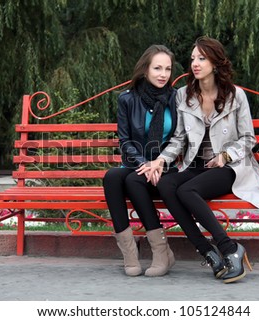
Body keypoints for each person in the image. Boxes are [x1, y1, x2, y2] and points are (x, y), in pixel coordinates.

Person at [138, 36, 259, 283]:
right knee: (166, 185)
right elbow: (179, 138)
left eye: (202, 58)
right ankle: (207, 252)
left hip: (230, 166)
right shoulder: (184, 95)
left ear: (215, 63)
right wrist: (161, 160)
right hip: (195, 164)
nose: (195, 63)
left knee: (187, 190)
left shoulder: (236, 96)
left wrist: (225, 156)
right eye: (193, 58)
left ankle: (229, 249)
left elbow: (248, 138)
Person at [103, 45, 179, 277]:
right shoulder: (128, 99)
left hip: (166, 167)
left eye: (167, 69)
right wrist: (144, 164)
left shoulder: (176, 99)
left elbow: (180, 138)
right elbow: (125, 140)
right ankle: (129, 254)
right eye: (157, 68)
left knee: (133, 181)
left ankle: (160, 251)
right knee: (112, 177)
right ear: (145, 69)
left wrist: (158, 163)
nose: (163, 74)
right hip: (137, 164)